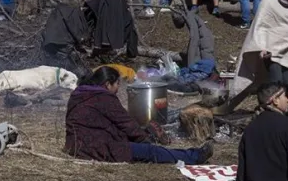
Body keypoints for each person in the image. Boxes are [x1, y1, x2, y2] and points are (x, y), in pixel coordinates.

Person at [64, 66, 212, 164]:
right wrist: (146, 140)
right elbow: (126, 124)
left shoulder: (80, 94)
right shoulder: (103, 98)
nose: (117, 89)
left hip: (75, 144)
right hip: (95, 147)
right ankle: (194, 156)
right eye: (117, 85)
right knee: (150, 151)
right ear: (108, 84)